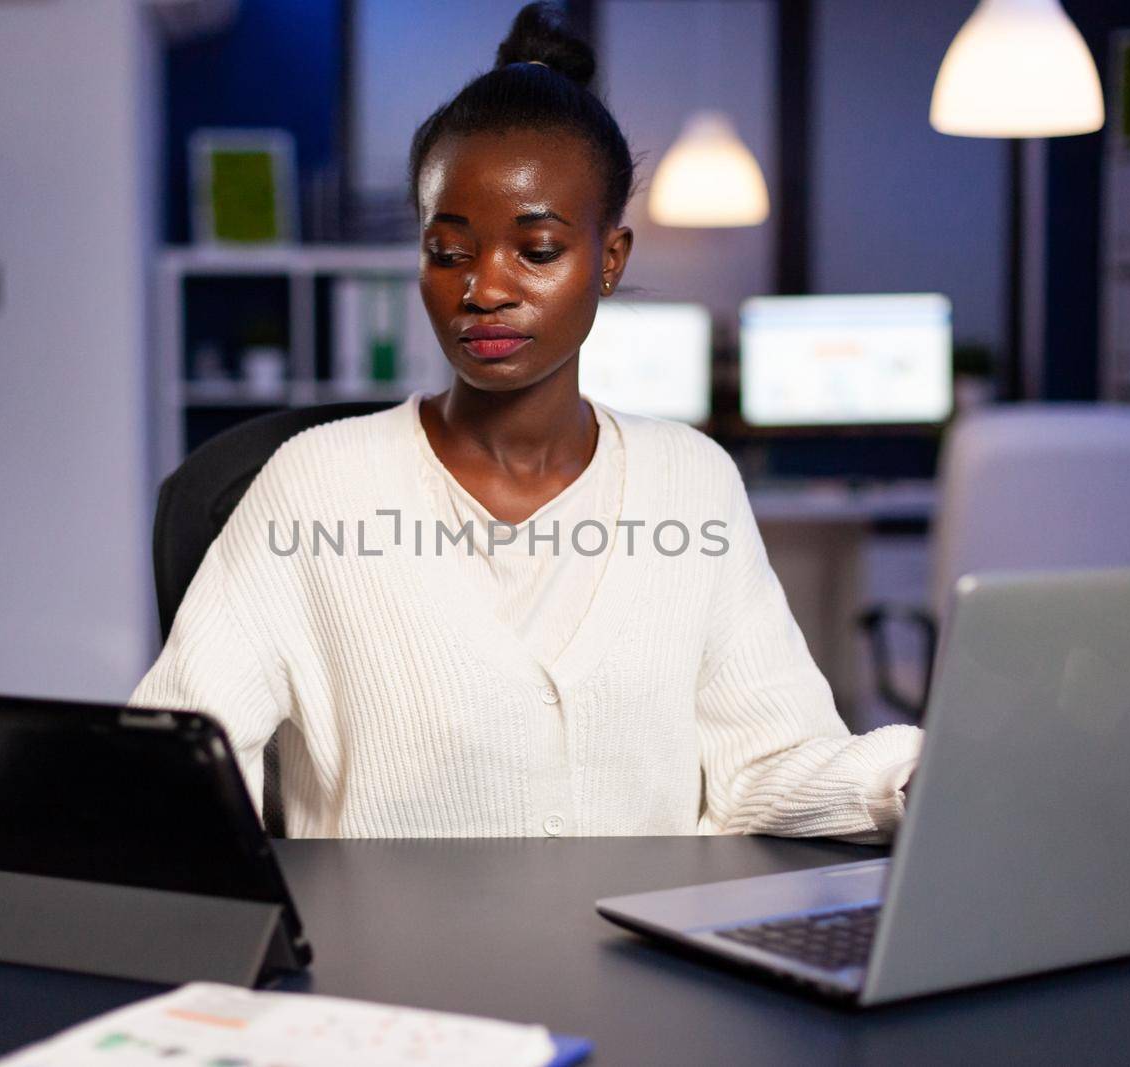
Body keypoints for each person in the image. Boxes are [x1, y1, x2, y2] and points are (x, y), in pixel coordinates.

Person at [132, 2, 920, 841]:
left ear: (608, 260)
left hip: (641, 956)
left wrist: (914, 778)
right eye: (449, 251)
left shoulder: (692, 483)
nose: (485, 288)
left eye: (536, 250)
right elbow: (173, 762)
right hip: (384, 966)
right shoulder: (312, 483)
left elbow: (767, 765)